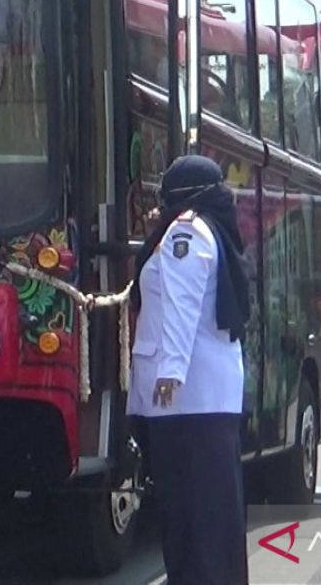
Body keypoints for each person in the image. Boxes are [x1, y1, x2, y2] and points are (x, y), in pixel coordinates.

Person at [127, 155, 251, 585]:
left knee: (192, 523)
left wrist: (171, 371)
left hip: (184, 401)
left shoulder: (185, 231)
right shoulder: (208, 228)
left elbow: (182, 306)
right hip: (204, 399)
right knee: (212, 521)